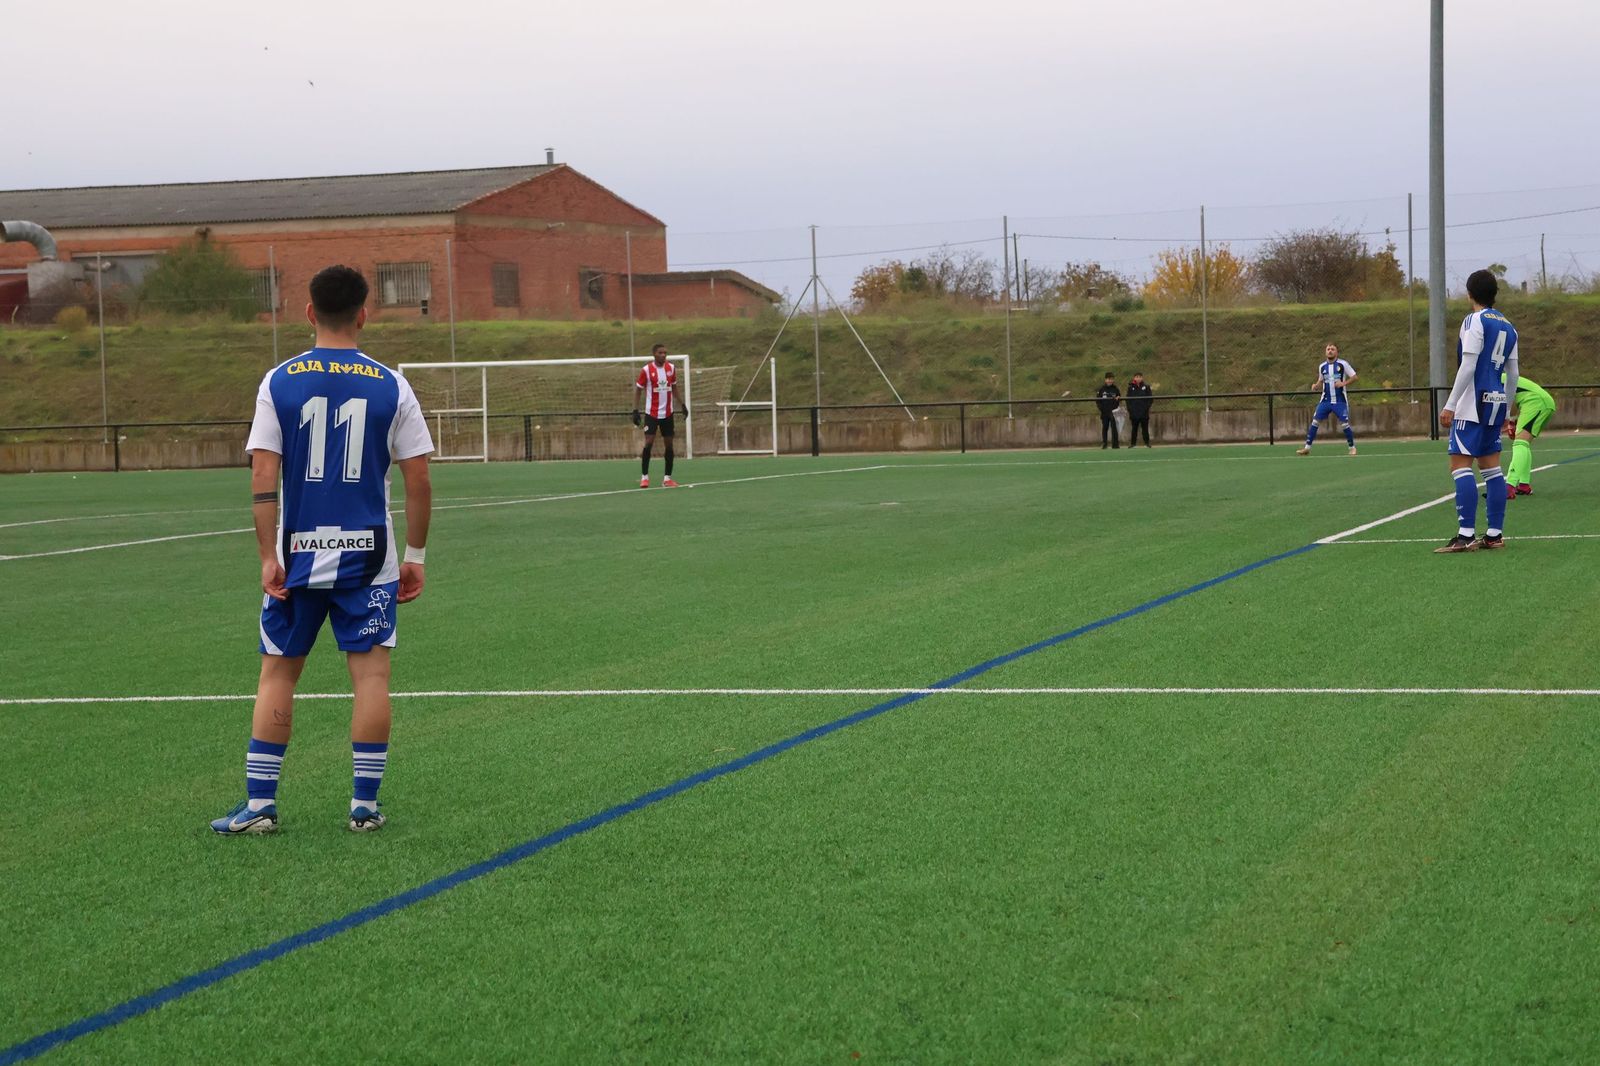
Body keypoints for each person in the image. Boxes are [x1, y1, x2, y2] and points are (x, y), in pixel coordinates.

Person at [212, 265, 434, 834]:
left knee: (278, 675)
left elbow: (263, 475)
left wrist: (268, 557)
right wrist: (415, 556)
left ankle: (260, 806)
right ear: (364, 314)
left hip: (297, 557)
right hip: (371, 558)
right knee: (371, 679)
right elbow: (419, 479)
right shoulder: (392, 385)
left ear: (309, 312)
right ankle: (365, 807)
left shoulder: (279, 381)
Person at [1435, 269, 1518, 553]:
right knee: (1492, 469)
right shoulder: (1509, 326)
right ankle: (1494, 535)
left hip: (1472, 402)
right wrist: (1506, 411)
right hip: (1496, 401)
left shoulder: (1474, 320)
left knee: (1460, 466)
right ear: (1494, 294)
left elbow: (1468, 364)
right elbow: (1513, 374)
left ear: (1469, 293)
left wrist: (1450, 404)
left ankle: (1465, 535)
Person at [633, 343, 689, 487]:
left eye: (665, 353)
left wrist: (682, 404)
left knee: (669, 445)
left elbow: (674, 387)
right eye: (660, 353)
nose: (663, 355)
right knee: (649, 443)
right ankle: (644, 477)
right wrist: (635, 410)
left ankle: (667, 478)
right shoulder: (646, 370)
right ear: (654, 354)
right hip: (651, 413)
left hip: (668, 413)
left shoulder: (671, 368)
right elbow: (638, 389)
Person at [1296, 344, 1358, 456]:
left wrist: (1343, 383)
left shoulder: (1343, 364)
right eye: (1328, 349)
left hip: (1339, 400)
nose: (1330, 351)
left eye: (1332, 349)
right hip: (1325, 400)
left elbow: (1354, 377)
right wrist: (1316, 386)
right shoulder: (1322, 366)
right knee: (1315, 421)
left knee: (1344, 424)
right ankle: (1307, 448)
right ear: (1325, 352)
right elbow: (1321, 380)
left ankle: (1352, 448)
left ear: (1336, 352)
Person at [1505, 375, 1555, 497]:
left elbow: (1501, 402)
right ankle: (1524, 485)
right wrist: (1512, 420)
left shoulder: (1490, 379)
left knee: (1520, 443)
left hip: (1535, 402)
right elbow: (1515, 398)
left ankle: (1509, 487)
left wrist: (1508, 421)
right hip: (1542, 401)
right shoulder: (1499, 376)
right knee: (1524, 444)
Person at [1125, 371, 1154, 447]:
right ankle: (1133, 444)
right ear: (1134, 378)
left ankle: (1147, 443)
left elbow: (1150, 399)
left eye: (1140, 377)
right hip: (1134, 413)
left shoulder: (1146, 387)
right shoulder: (1130, 387)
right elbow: (1127, 400)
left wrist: (1146, 408)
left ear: (1142, 378)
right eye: (1136, 377)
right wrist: (1130, 409)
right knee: (1134, 429)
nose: (1138, 378)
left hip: (1144, 412)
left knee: (1145, 429)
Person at [1094, 372, 1122, 449]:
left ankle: (1115, 445)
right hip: (1104, 412)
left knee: (1114, 428)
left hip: (1113, 412)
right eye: (1108, 379)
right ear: (1105, 380)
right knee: (1105, 428)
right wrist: (1102, 409)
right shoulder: (1101, 389)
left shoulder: (1115, 389)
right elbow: (1098, 401)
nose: (1110, 381)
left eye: (1111, 379)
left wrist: (1118, 398)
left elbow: (1119, 397)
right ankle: (1104, 443)